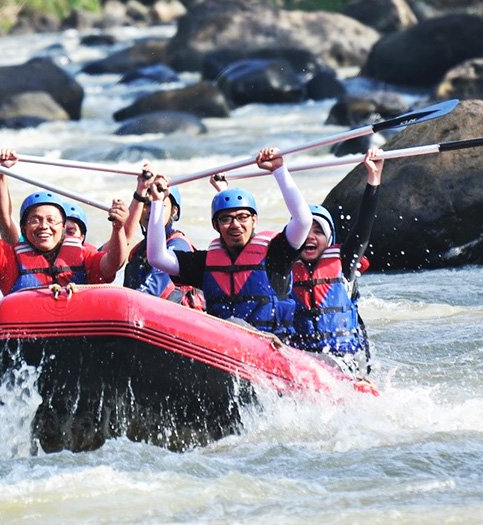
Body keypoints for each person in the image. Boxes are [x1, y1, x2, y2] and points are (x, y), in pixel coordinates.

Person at [146, 147, 311, 338]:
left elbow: (303, 221)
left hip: (273, 346)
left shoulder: (276, 254)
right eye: (226, 219)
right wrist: (158, 202)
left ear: (254, 220)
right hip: (226, 348)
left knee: (235, 324)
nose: (235, 225)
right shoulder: (207, 263)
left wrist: (279, 170)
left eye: (243, 217)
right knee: (232, 324)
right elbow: (157, 257)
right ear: (216, 225)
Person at [0, 146, 129, 295]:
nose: (44, 226)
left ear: (63, 227)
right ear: (24, 228)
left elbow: (114, 263)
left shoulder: (84, 257)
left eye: (51, 220)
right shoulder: (7, 260)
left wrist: (118, 227)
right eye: (35, 220)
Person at [288, 148, 384, 377]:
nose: (310, 237)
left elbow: (363, 228)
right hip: (300, 360)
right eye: (304, 231)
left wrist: (374, 178)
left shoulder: (344, 262)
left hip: (344, 362)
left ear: (329, 239)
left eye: (318, 231)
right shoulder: (283, 268)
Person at [123, 167, 204, 309]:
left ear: (174, 210)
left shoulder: (178, 244)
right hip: (141, 317)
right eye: (146, 204)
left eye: (158, 204)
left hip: (173, 323)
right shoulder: (137, 251)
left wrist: (122, 307)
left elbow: (152, 289)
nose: (149, 211)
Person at [0, 148, 93, 248]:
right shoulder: (24, 246)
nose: (64, 237)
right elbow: (4, 218)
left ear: (82, 237)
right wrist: (0, 172)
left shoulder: (89, 258)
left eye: (70, 232)